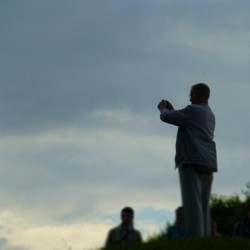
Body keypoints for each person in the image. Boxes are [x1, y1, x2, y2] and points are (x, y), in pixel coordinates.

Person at [157, 83, 217, 237]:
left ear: (198, 95)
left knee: (192, 205)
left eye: (191, 94)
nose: (189, 98)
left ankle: (195, 238)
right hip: (208, 161)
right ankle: (204, 239)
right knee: (203, 205)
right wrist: (173, 109)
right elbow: (184, 119)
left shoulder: (193, 110)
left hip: (191, 160)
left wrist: (163, 109)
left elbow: (168, 117)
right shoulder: (209, 114)